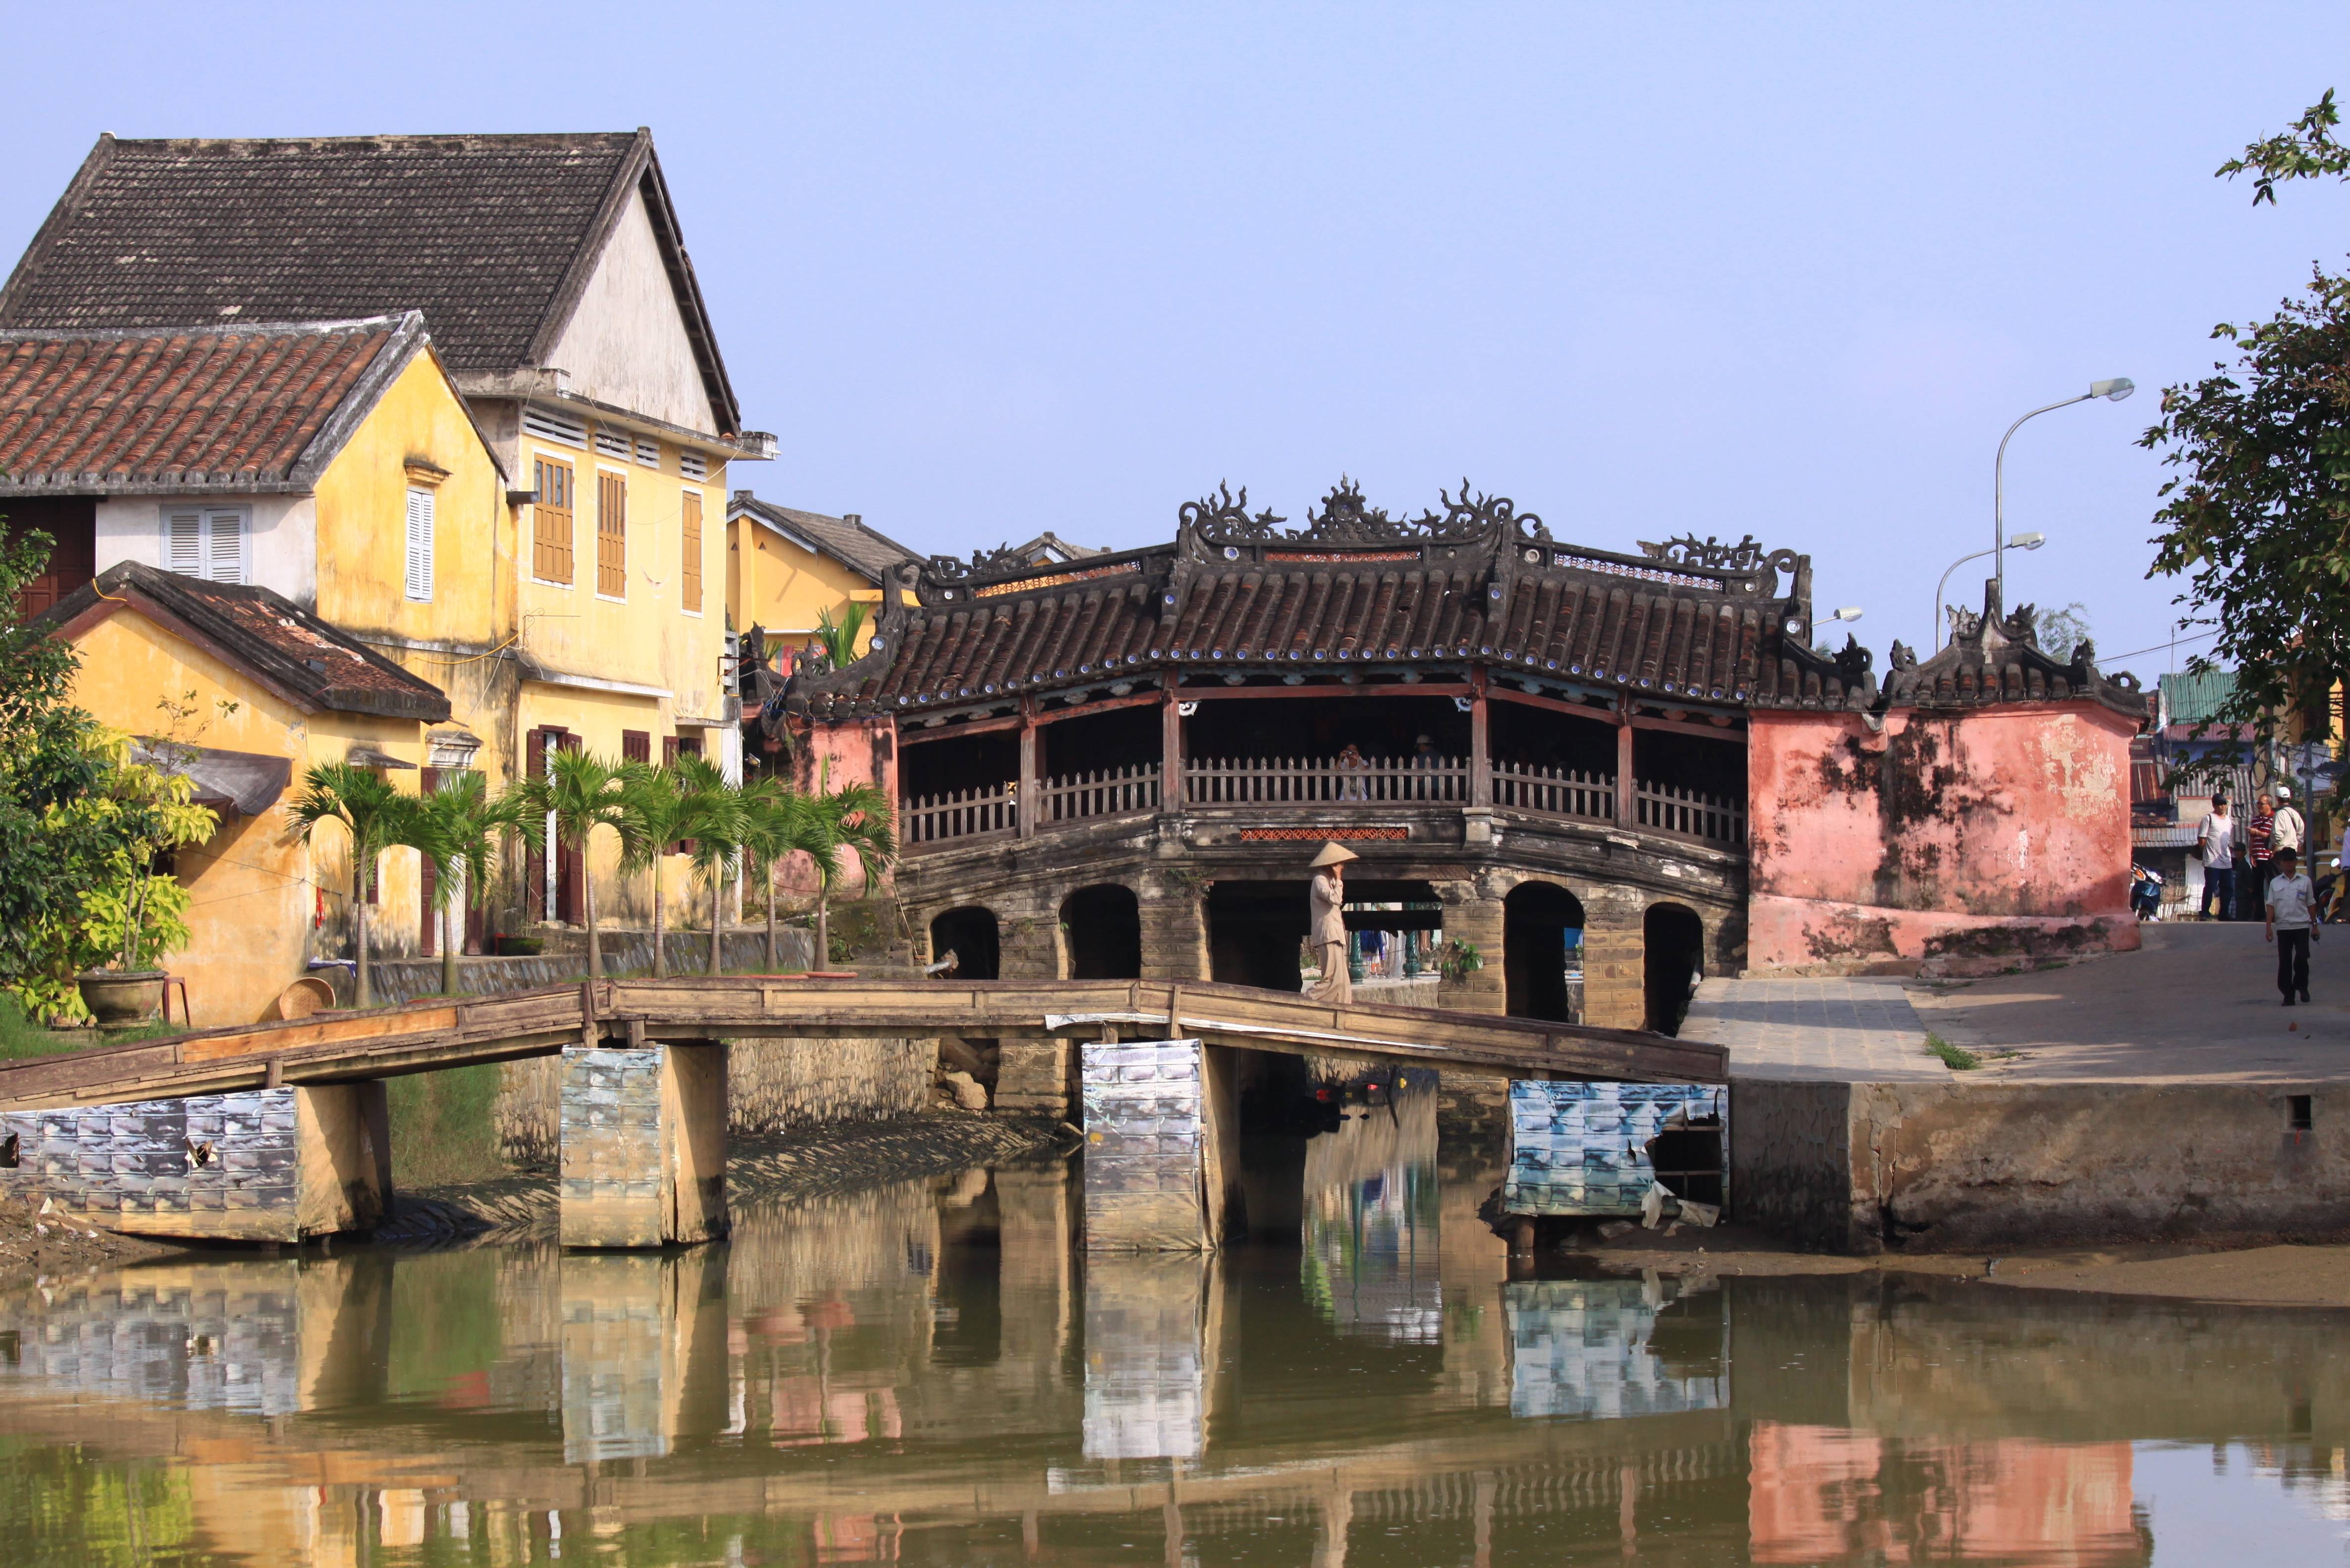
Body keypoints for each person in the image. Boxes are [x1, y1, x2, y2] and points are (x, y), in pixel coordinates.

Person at [2265, 845, 2320, 1006]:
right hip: (2283, 927)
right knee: (2285, 962)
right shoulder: (2275, 883)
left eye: (2292, 860)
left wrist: (2315, 925)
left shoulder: (2305, 881)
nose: (2289, 863)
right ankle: (2288, 994)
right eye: (2286, 861)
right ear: (2280, 863)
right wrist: (2268, 927)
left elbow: (2311, 904)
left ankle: (2302, 986)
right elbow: (2270, 905)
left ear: (2296, 862)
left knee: (2302, 959)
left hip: (2301, 926)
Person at [1305, 841, 1357, 1004]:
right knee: (1331, 978)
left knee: (1342, 981)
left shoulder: (1329, 880)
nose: (1342, 868)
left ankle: (1342, 1008)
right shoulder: (1320, 880)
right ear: (1332, 865)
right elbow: (1336, 899)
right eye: (1340, 865)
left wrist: (1336, 880)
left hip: (1335, 934)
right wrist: (1340, 880)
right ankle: (1308, 1000)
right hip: (1328, 934)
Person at [2197, 794, 2237, 921]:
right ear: (2214, 805)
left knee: (2228, 888)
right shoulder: (2209, 819)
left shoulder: (2228, 821)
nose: (2223, 807)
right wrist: (2205, 853)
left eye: (2224, 804)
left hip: (2226, 860)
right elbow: (2202, 838)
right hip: (2212, 861)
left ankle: (2223, 914)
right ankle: (2205, 913)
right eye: (2220, 804)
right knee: (2211, 887)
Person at [2248, 793, 2277, 917]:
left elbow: (2274, 837)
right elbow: (2252, 838)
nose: (2259, 806)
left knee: (2273, 886)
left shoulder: (2275, 819)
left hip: (2269, 858)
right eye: (2258, 803)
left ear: (2269, 805)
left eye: (2261, 804)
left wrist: (2258, 832)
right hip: (2257, 857)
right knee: (2257, 887)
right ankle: (2259, 914)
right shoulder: (2255, 820)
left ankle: (2275, 914)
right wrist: (2251, 854)